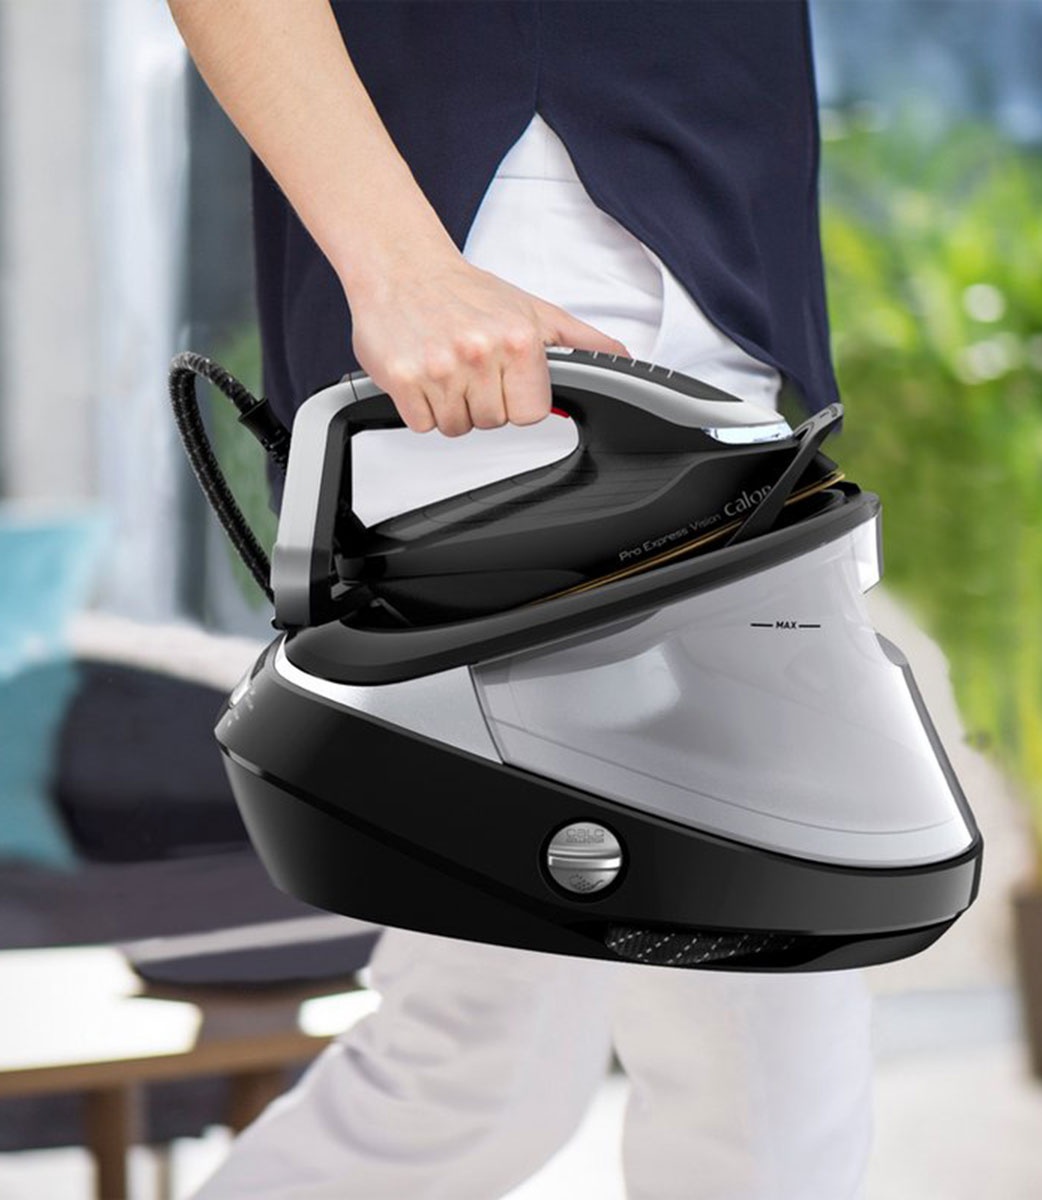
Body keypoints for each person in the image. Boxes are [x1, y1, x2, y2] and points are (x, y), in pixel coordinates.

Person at [168, 3, 872, 1197]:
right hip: (525, 295)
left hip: (704, 303)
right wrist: (402, 264)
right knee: (730, 1077)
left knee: (505, 1067)